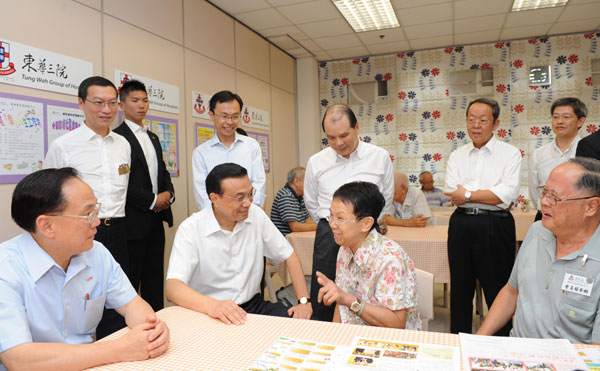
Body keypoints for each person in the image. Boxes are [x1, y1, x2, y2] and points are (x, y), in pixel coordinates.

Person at [0, 168, 169, 370]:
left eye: (95, 211)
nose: (97, 222)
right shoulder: (6, 267)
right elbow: (18, 359)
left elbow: (132, 304)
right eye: (87, 214)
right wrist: (119, 349)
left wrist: (151, 330)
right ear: (47, 225)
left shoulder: (96, 253)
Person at [165, 163, 312, 325]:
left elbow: (289, 256)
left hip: (254, 307)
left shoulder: (255, 215)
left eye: (250, 194)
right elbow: (172, 288)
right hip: (208, 311)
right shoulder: (191, 229)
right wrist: (213, 306)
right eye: (239, 197)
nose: (248, 202)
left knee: (309, 326)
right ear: (215, 199)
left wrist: (304, 302)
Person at [44, 76, 132, 339]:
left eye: (112, 103)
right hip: (81, 231)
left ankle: (115, 355)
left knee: (118, 302)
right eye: (98, 103)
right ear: (81, 103)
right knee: (82, 298)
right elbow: (50, 194)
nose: (106, 110)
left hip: (118, 229)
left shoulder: (123, 144)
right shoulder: (64, 145)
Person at [477, 158, 600, 344]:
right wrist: (478, 339)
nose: (543, 202)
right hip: (517, 353)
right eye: (544, 192)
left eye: (555, 196)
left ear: (590, 206)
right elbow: (512, 291)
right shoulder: (537, 231)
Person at [304, 103, 394, 321]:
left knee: (367, 292)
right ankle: (324, 336)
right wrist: (336, 224)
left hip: (366, 233)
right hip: (330, 233)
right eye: (331, 138)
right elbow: (312, 203)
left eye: (344, 135)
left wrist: (361, 226)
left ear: (357, 128)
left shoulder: (379, 157)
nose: (339, 143)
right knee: (324, 291)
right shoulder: (317, 162)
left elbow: (386, 198)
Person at [444, 97, 521, 335]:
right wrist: (482, 195)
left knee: (497, 288)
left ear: (495, 124)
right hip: (461, 223)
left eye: (483, 120)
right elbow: (451, 191)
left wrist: (466, 193)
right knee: (460, 289)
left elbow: (506, 194)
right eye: (471, 119)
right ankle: (459, 340)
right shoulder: (457, 155)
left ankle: (501, 343)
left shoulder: (510, 154)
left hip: (495, 225)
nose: (476, 125)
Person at [315, 182, 422, 329]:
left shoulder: (390, 258)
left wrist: (348, 299)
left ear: (366, 223)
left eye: (340, 218)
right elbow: (341, 303)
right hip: (354, 333)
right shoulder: (345, 248)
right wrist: (335, 335)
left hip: (391, 341)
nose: (332, 224)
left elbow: (396, 323)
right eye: (331, 216)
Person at [113, 80, 175, 312]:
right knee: (130, 284)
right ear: (122, 105)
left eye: (145, 100)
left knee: (154, 281)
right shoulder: (117, 138)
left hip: (155, 222)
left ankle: (158, 325)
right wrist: (152, 200)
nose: (142, 105)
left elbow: (162, 172)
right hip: (132, 222)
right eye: (135, 100)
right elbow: (121, 182)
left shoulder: (153, 137)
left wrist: (169, 194)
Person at [192, 91, 265, 211]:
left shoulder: (252, 146)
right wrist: (221, 215)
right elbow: (202, 194)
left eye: (235, 116)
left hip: (248, 213)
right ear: (211, 115)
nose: (230, 122)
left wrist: (249, 209)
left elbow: (259, 183)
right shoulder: (201, 153)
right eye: (224, 116)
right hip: (216, 219)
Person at [529, 97, 586, 221]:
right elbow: (534, 192)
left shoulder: (589, 150)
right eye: (555, 117)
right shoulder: (539, 153)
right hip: (546, 216)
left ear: (580, 121)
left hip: (579, 219)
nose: (559, 121)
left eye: (566, 117)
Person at [271, 167, 316, 236]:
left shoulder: (300, 196)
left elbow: (307, 220)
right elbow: (294, 227)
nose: (309, 186)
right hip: (285, 241)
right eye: (307, 182)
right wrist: (318, 227)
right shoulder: (285, 195)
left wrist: (322, 226)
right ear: (296, 182)